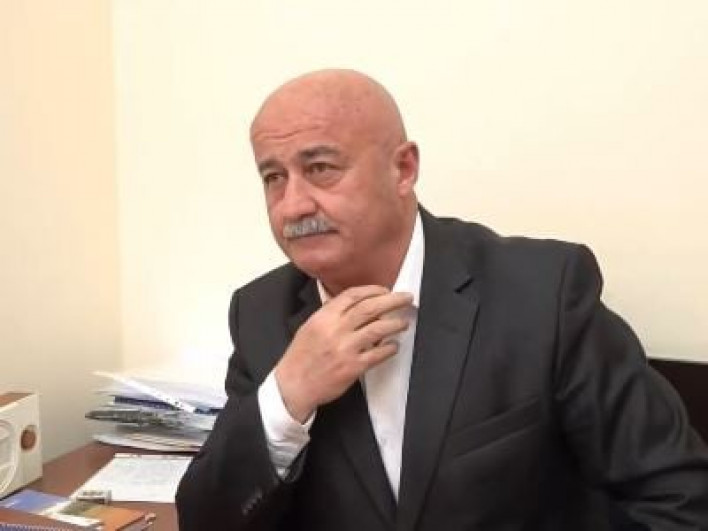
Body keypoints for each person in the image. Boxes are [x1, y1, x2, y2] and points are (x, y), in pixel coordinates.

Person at [176, 69, 708, 530]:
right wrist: (287, 396)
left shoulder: (543, 294)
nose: (293, 205)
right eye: (273, 177)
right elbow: (208, 520)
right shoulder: (261, 313)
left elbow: (681, 498)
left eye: (320, 168)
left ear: (403, 169)